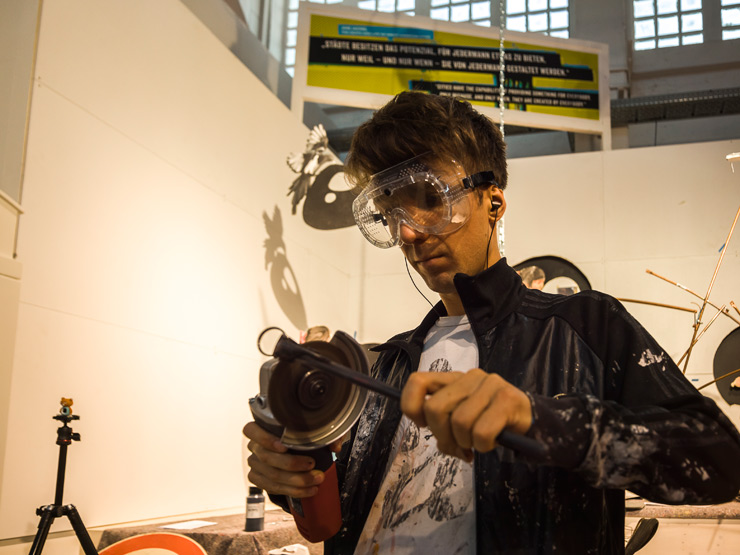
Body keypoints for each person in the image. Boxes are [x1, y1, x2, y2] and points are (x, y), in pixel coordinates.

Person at [244, 91, 740, 554]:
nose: (408, 233)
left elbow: (719, 460)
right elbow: (352, 504)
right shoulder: (387, 363)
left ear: (494, 203)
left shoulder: (584, 326)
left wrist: (542, 419)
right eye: (391, 213)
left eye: (429, 198)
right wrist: (293, 476)